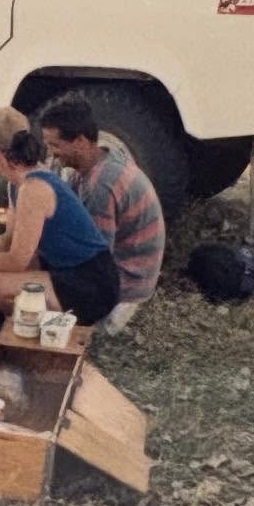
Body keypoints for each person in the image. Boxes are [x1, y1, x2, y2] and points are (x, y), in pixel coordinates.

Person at [0, 107, 119, 325]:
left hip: (90, 283)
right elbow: (7, 241)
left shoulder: (34, 188)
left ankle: (27, 326)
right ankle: (12, 317)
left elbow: (17, 260)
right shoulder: (17, 181)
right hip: (61, 268)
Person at [37, 93, 165, 334]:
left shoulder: (101, 187)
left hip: (124, 284)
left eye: (55, 145)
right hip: (118, 266)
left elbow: (93, 261)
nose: (51, 153)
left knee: (32, 289)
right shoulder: (99, 157)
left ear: (81, 141)